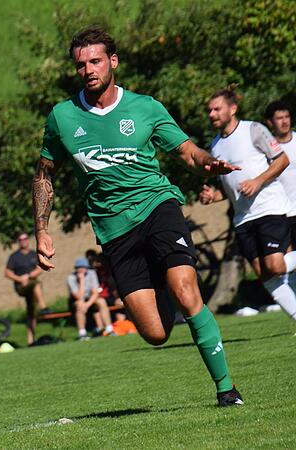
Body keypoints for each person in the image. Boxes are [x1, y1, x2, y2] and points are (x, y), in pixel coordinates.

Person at [32, 26, 243, 406]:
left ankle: (226, 389)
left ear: (112, 61)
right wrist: (42, 230)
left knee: (186, 290)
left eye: (96, 61)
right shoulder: (62, 117)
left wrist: (207, 162)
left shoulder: (146, 107)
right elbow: (44, 174)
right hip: (114, 230)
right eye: (81, 64)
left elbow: (187, 152)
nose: (88, 70)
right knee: (155, 333)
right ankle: (165, 280)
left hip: (157, 206)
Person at [200, 90, 296, 321]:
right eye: (209, 110)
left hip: (269, 208)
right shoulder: (215, 145)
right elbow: (230, 187)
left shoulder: (253, 130)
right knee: (265, 274)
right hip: (243, 218)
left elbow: (282, 160)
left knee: (275, 266)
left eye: (217, 109)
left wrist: (258, 181)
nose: (212, 114)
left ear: (232, 109)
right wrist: (214, 196)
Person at [4, 232, 51, 346]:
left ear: (28, 240)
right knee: (36, 284)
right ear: (18, 242)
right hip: (21, 286)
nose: (23, 241)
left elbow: (40, 268)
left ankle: (30, 340)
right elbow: (7, 272)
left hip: (31, 285)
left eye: (25, 238)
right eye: (21, 239)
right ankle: (43, 307)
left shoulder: (33, 254)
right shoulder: (14, 257)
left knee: (31, 312)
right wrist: (20, 279)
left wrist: (28, 276)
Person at [265, 100, 296, 252]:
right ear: (270, 123)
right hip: (280, 214)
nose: (284, 122)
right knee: (286, 259)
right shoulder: (265, 148)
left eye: (287, 117)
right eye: (279, 118)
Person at [67, 257, 115, 340]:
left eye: (84, 267)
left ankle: (109, 330)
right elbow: (78, 296)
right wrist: (81, 280)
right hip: (77, 299)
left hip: (90, 298)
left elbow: (95, 292)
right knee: (80, 305)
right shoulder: (71, 278)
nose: (82, 269)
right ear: (76, 268)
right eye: (79, 267)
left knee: (102, 302)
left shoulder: (92, 273)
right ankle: (82, 334)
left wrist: (87, 304)